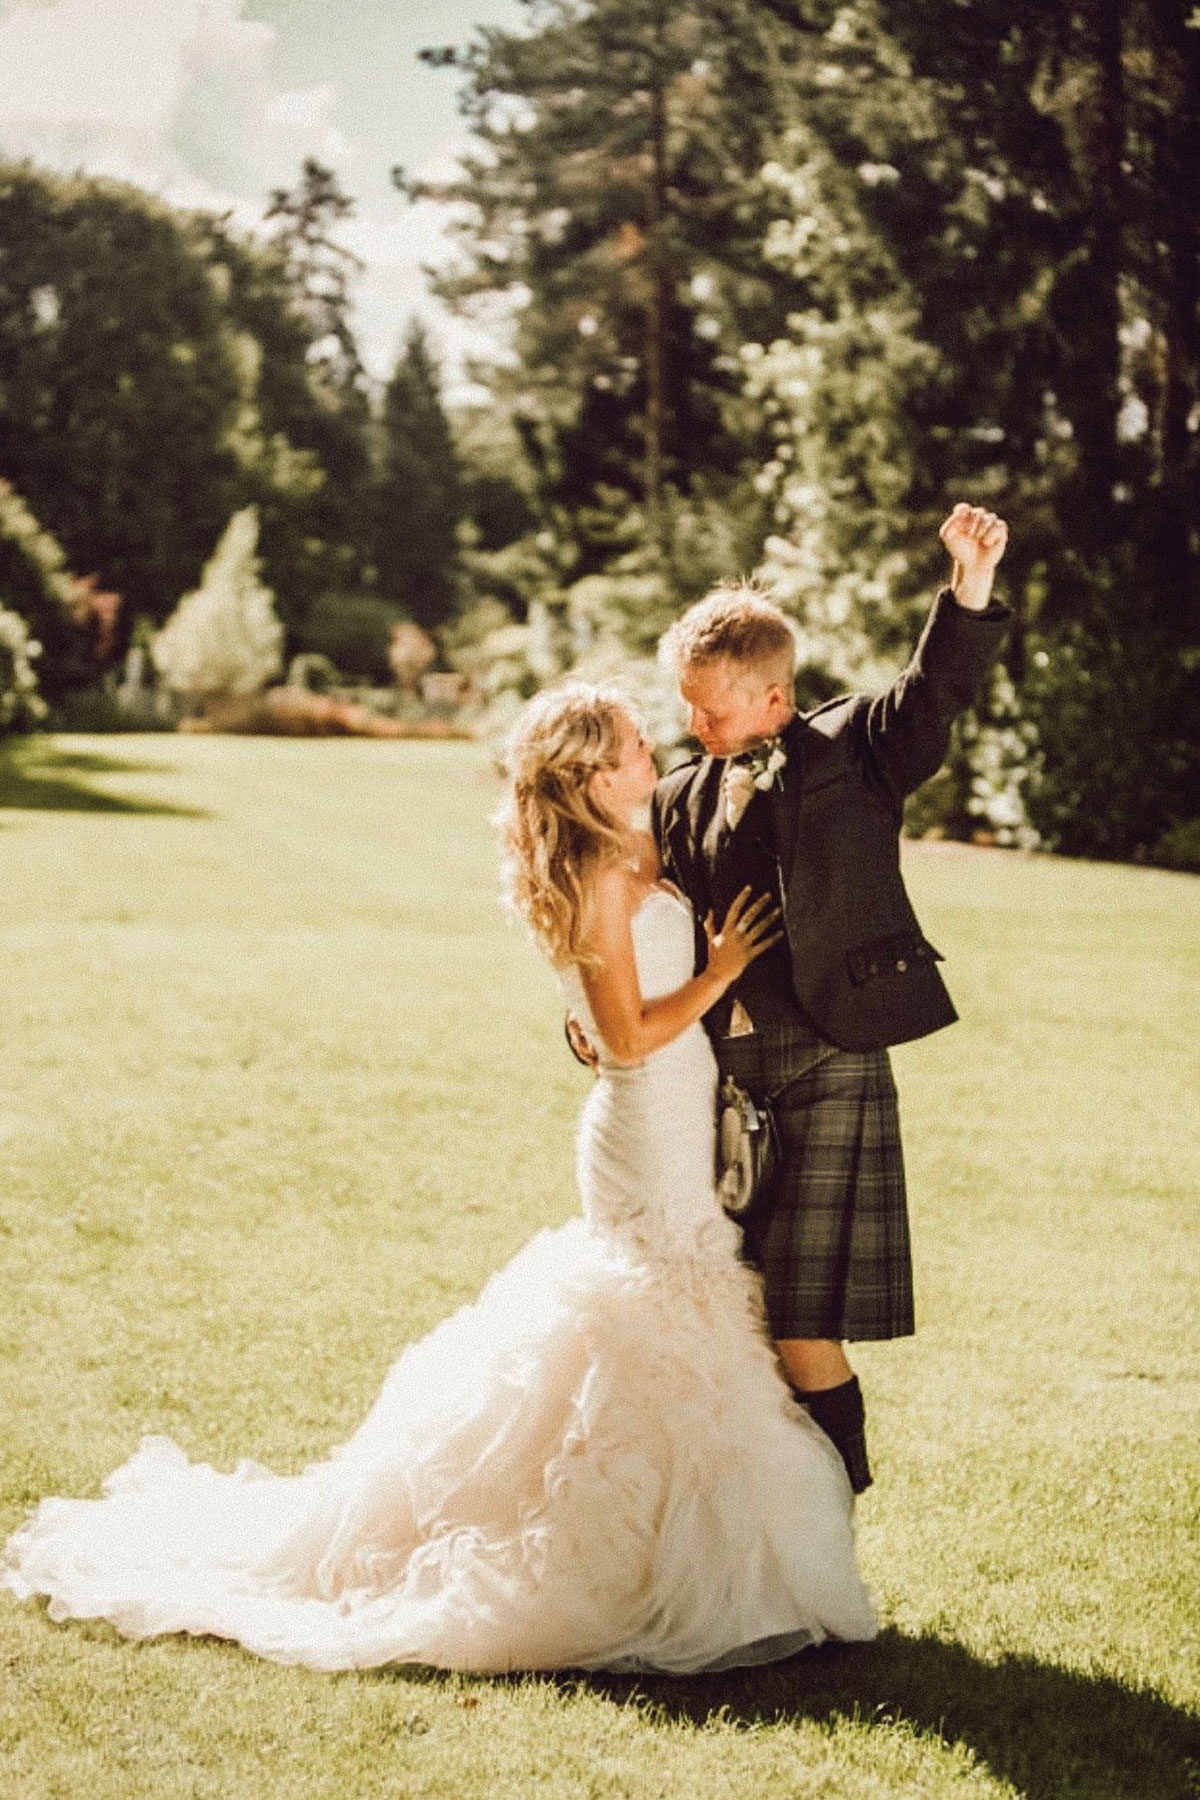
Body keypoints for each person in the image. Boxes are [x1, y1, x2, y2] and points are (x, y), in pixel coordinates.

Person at [2, 686, 877, 1674]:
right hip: (647, 1125)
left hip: (681, 1107)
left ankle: (689, 1553)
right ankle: (628, 1567)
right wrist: (716, 974)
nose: (653, 749)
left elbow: (600, 1016)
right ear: (594, 777)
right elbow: (625, 1037)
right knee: (660, 1312)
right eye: (635, 744)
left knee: (681, 1314)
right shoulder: (597, 872)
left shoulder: (637, 846)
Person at [645, 502, 1011, 1494]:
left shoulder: (853, 753)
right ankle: (768, 1536)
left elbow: (933, 691)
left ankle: (832, 1532)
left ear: (772, 695)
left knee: (804, 1327)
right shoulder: (679, 795)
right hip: (718, 1088)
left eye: (710, 708)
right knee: (737, 1316)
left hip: (831, 1063)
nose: (693, 726)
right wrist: (591, 1030)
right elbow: (628, 937)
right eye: (684, 705)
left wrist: (968, 582)